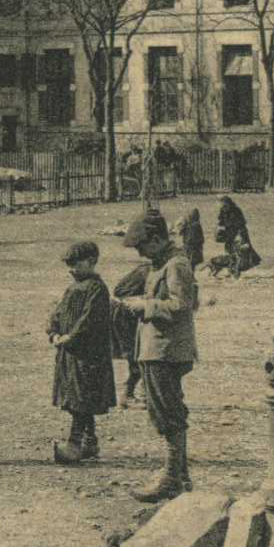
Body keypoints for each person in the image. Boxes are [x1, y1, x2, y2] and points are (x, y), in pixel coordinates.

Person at [116, 209, 198, 501]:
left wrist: (145, 306)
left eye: (142, 246)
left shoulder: (177, 265)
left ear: (157, 239)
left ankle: (172, 477)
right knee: (161, 410)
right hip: (155, 348)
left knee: (168, 412)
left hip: (167, 349)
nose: (140, 252)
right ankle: (179, 476)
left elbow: (183, 304)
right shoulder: (160, 263)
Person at [47, 239, 116, 463]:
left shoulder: (97, 289)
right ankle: (90, 441)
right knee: (77, 397)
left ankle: (75, 444)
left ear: (92, 261)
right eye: (69, 265)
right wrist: (54, 332)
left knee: (81, 400)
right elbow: (57, 312)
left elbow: (89, 320)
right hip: (70, 354)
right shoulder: (72, 288)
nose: (72, 270)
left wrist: (71, 337)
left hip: (88, 354)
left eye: (77, 265)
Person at [111, 259, 147, 407]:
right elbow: (119, 291)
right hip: (125, 317)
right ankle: (128, 395)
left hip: (134, 316)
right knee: (137, 356)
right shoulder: (146, 271)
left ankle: (140, 394)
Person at [211, 195, 262, 278]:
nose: (224, 208)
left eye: (225, 206)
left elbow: (241, 225)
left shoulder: (236, 211)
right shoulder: (223, 211)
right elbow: (220, 222)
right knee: (229, 252)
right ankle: (231, 270)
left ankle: (237, 270)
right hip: (229, 234)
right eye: (222, 206)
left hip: (239, 233)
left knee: (241, 253)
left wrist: (241, 237)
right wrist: (220, 230)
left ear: (229, 204)